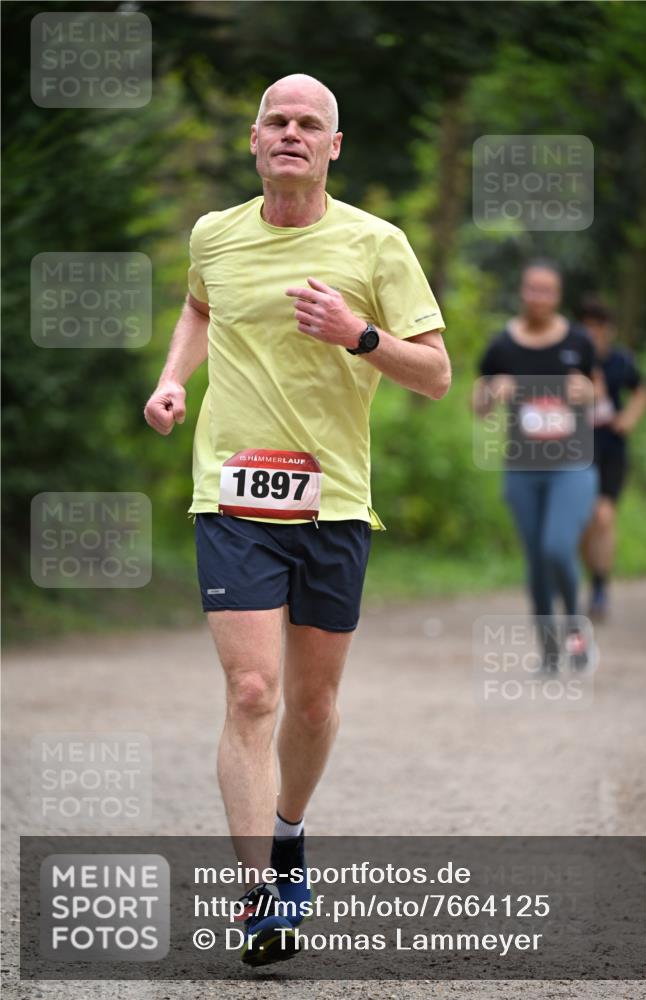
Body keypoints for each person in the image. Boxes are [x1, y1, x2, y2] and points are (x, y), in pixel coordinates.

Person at [144, 73, 450, 966]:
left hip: (334, 504)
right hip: (232, 495)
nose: (290, 133)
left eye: (308, 123)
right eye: (275, 121)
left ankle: (290, 830)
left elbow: (433, 377)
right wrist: (173, 380)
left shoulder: (377, 244)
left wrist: (357, 335)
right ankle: (262, 898)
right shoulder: (215, 235)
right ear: (252, 140)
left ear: (332, 146)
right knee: (252, 692)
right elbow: (201, 306)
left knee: (311, 706)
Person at [473, 261, 598, 672]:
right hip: (522, 467)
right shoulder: (502, 346)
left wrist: (588, 391)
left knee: (557, 548)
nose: (539, 298)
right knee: (536, 560)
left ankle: (577, 632)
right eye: (532, 289)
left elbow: (600, 396)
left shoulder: (579, 341)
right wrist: (492, 391)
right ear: (522, 292)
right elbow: (478, 407)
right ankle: (549, 651)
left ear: (558, 295)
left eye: (547, 291)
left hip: (573, 465)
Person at [577, 299, 646, 620]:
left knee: (604, 515)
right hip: (576, 444)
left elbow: (641, 390)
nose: (593, 333)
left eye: (598, 327)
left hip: (610, 445)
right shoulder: (570, 358)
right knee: (582, 522)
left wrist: (629, 419)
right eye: (587, 326)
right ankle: (590, 579)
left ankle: (601, 587)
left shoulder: (621, 360)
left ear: (608, 330)